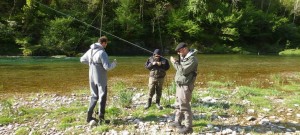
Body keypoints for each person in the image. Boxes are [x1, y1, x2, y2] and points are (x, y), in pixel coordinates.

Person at [80, 36, 117, 124]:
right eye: (106, 43)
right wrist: (114, 63)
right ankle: (101, 118)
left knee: (94, 96)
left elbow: (82, 60)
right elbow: (107, 67)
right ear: (103, 43)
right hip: (100, 78)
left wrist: (90, 64)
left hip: (91, 77)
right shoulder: (102, 53)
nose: (106, 45)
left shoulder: (90, 50)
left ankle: (89, 117)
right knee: (102, 97)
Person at [169, 42, 198, 134]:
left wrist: (174, 62)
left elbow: (184, 71)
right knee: (178, 105)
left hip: (185, 86)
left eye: (179, 51)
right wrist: (178, 60)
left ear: (185, 49)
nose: (178, 53)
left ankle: (188, 127)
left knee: (185, 107)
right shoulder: (185, 58)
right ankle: (177, 122)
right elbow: (181, 67)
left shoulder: (192, 59)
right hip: (180, 85)